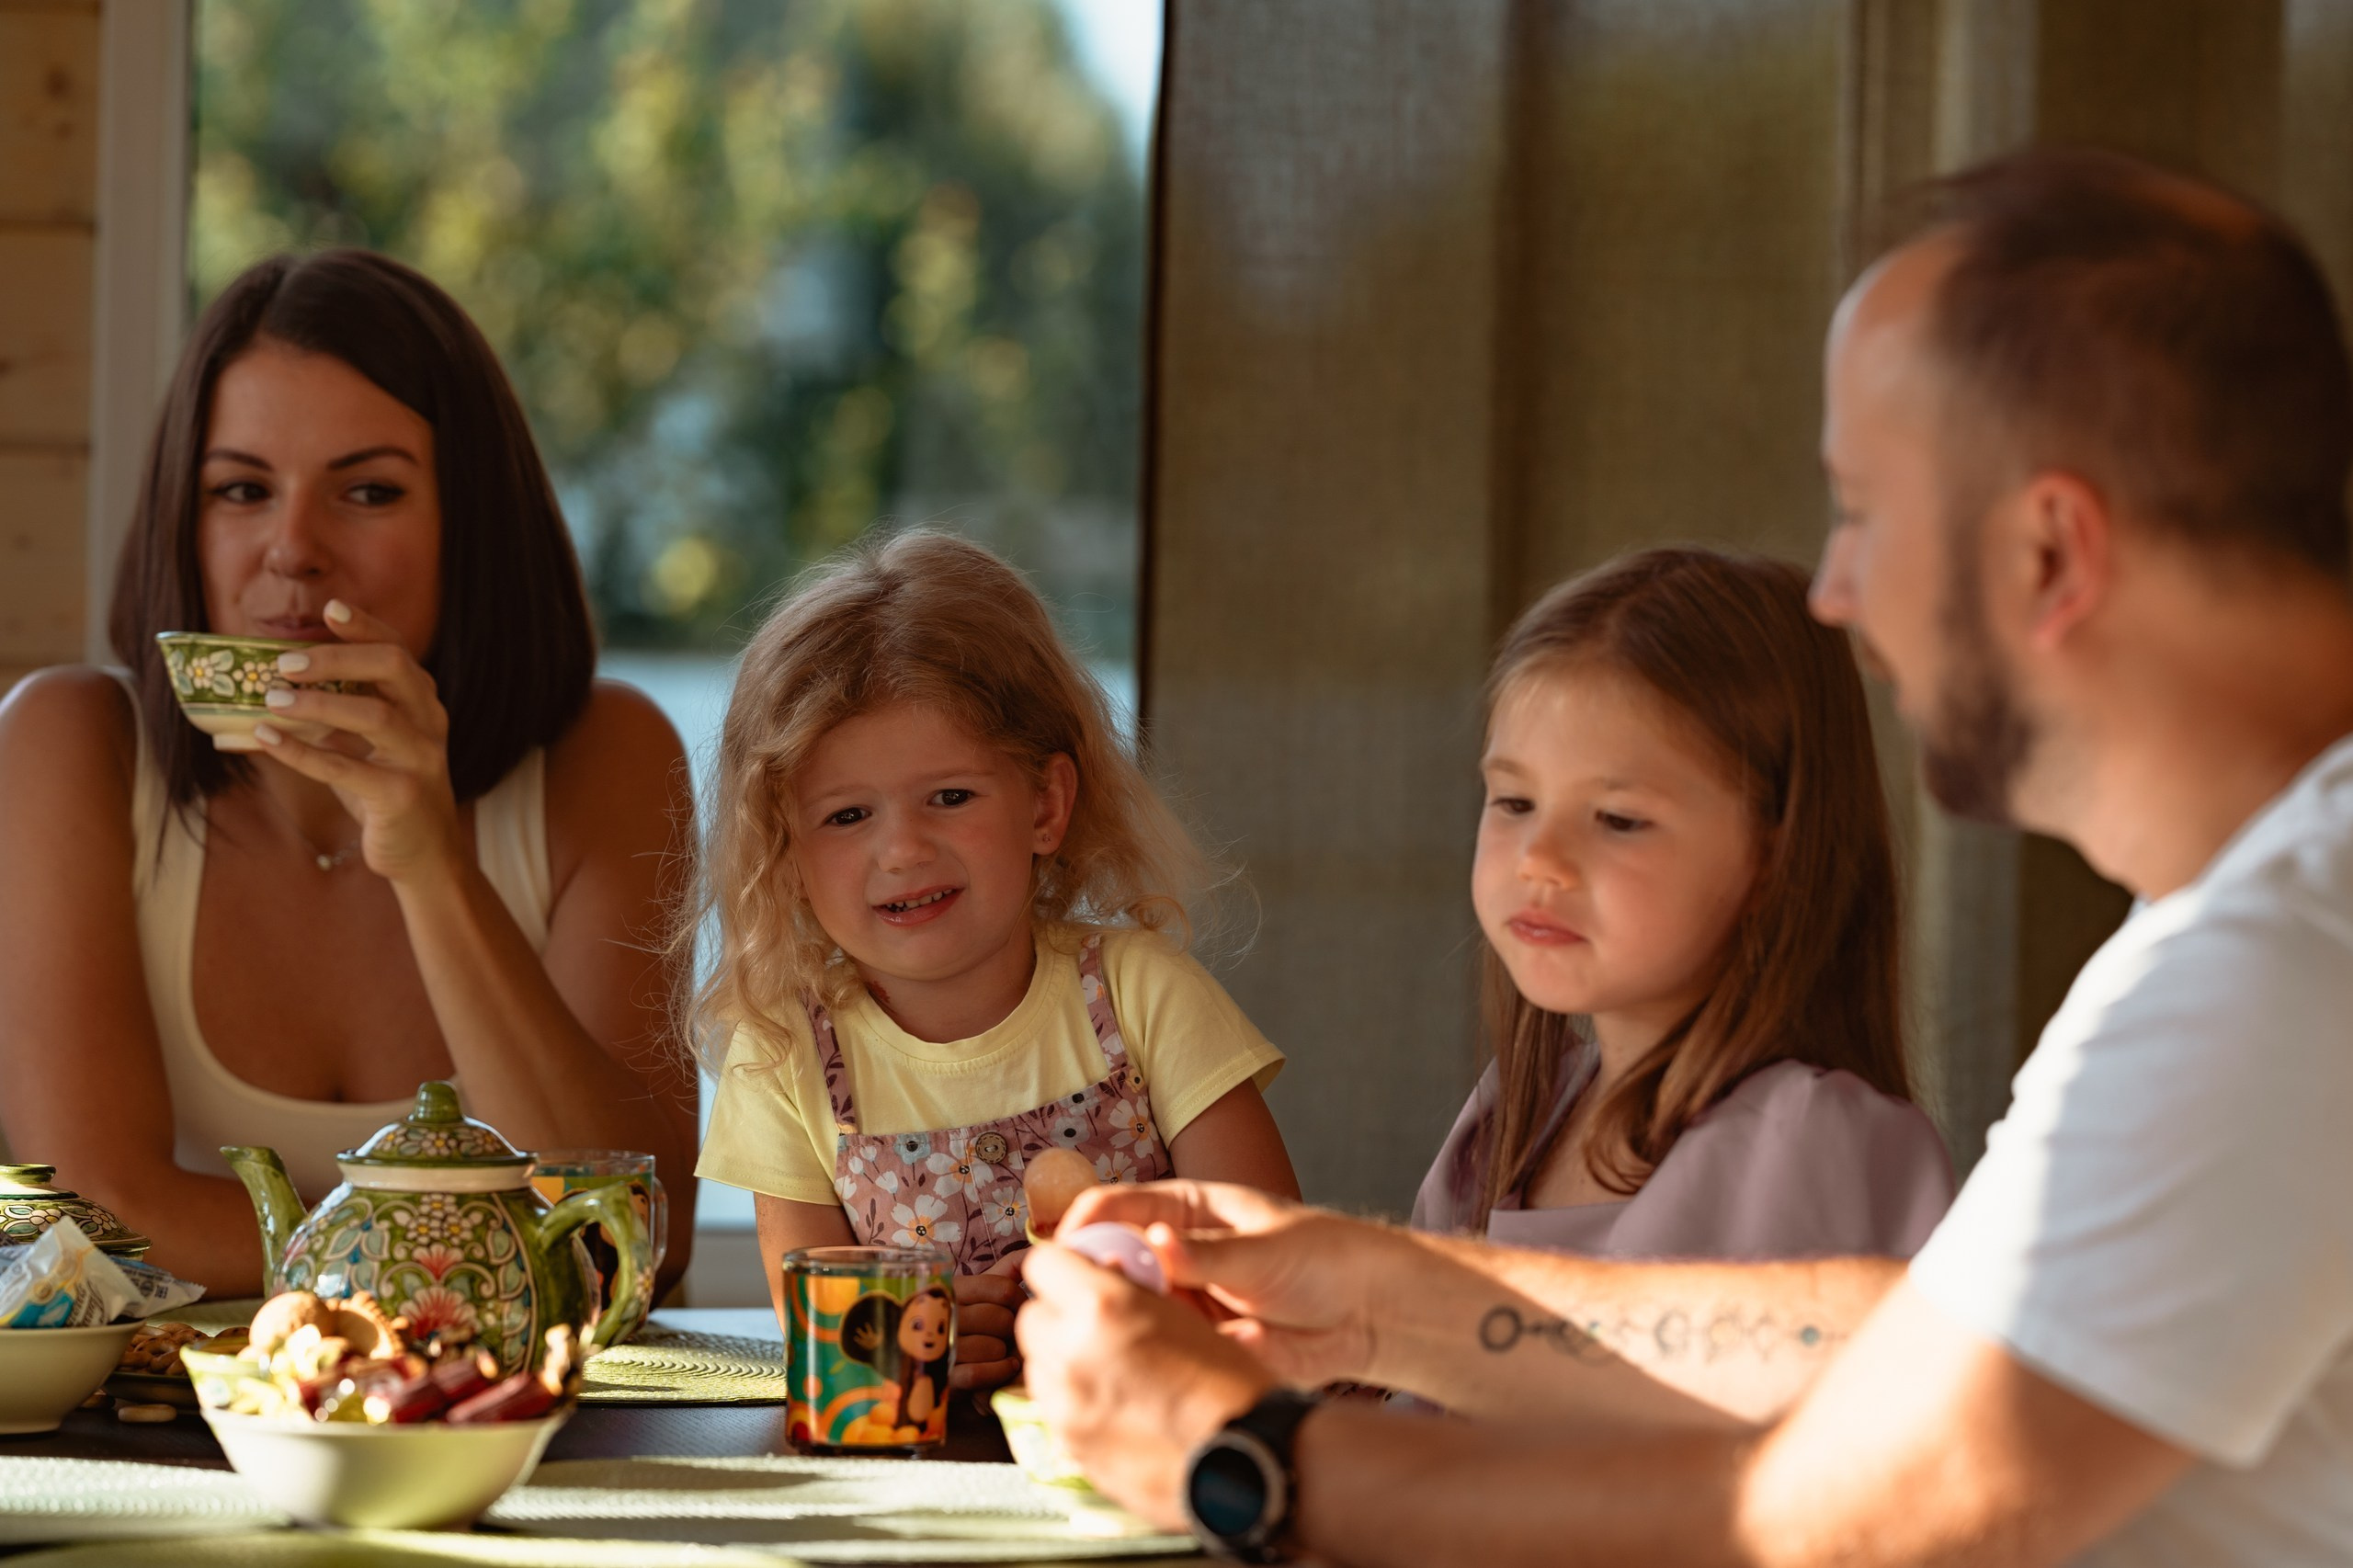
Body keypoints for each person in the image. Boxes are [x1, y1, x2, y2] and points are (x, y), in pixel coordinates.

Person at [1016, 147, 2353, 1565]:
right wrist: (1371, 1294)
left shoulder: (2284, 965)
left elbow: (1902, 1503)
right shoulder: (2232, 934)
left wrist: (1252, 1460)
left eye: (1862, 511)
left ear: (2048, 550)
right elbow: (1925, 1336)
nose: (1835, 592)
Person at [0, 251, 699, 1297]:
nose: (292, 549)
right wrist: (456, 1271)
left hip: (517, 1438)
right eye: (241, 489)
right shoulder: (69, 744)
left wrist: (428, 861)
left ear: (473, 526)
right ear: (183, 528)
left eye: (367, 490)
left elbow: (629, 1233)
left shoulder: (606, 754)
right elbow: (98, 1216)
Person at [694, 528, 1299, 1391]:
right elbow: (829, 1350)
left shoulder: (1142, 998)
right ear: (785, 857)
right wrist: (912, 1350)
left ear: (1046, 804)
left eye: (950, 797)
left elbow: (1273, 1273)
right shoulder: (782, 1054)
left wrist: (1131, 1311)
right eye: (846, 816)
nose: (901, 851)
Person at [1414, 546, 1950, 1260]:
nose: (1537, 858)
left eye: (1618, 819)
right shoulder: (1513, 1114)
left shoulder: (1820, 1138)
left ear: (1776, 853)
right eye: (1514, 801)